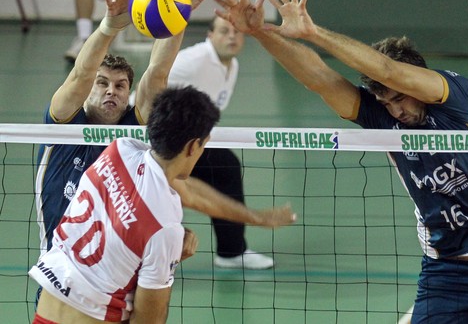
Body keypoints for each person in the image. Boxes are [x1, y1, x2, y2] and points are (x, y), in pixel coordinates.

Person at [212, 0, 468, 322]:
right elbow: (319, 78)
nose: (395, 110)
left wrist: (313, 32)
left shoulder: (453, 95)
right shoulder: (384, 119)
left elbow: (388, 70)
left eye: (399, 97)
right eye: (385, 102)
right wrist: (261, 31)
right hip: (446, 275)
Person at [30, 85, 295, 324]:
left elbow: (187, 191)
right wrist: (166, 255)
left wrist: (255, 218)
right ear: (193, 146)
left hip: (45, 311)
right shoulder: (164, 228)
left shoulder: (119, 149)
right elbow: (148, 320)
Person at [36, 0, 208, 258]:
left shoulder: (133, 127)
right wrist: (108, 27)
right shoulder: (64, 122)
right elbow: (81, 74)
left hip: (117, 273)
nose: (111, 91)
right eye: (102, 83)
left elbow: (156, 74)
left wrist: (179, 9)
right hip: (60, 272)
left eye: (120, 86)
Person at [167, 17, 274, 269]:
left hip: (192, 139)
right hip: (162, 139)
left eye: (237, 32)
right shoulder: (191, 61)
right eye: (224, 31)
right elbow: (151, 91)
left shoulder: (232, 66)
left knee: (226, 168)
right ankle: (231, 251)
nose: (232, 37)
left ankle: (231, 251)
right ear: (210, 34)